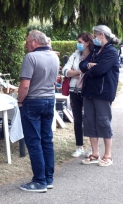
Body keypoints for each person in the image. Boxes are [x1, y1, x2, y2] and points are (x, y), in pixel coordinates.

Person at [17, 30, 60, 192]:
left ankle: (39, 180)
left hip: (33, 102)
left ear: (35, 42)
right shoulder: (54, 56)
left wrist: (20, 100)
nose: (26, 44)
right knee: (47, 140)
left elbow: (25, 85)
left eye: (28, 41)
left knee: (34, 141)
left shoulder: (31, 58)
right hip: (49, 100)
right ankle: (48, 178)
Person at [79, 25, 120, 167]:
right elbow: (82, 65)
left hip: (103, 92)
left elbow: (100, 70)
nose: (94, 38)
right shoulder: (96, 50)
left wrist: (90, 67)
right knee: (89, 121)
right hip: (89, 91)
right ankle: (95, 153)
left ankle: (108, 155)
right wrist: (90, 65)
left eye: (95, 35)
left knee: (103, 121)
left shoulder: (111, 51)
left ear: (102, 35)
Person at [62, 33, 94, 158]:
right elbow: (65, 71)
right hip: (74, 91)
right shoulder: (75, 55)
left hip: (87, 91)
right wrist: (80, 72)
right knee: (77, 120)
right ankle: (79, 147)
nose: (78, 44)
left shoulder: (93, 56)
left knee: (90, 119)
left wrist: (74, 73)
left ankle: (92, 147)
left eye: (81, 41)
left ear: (87, 43)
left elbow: (92, 72)